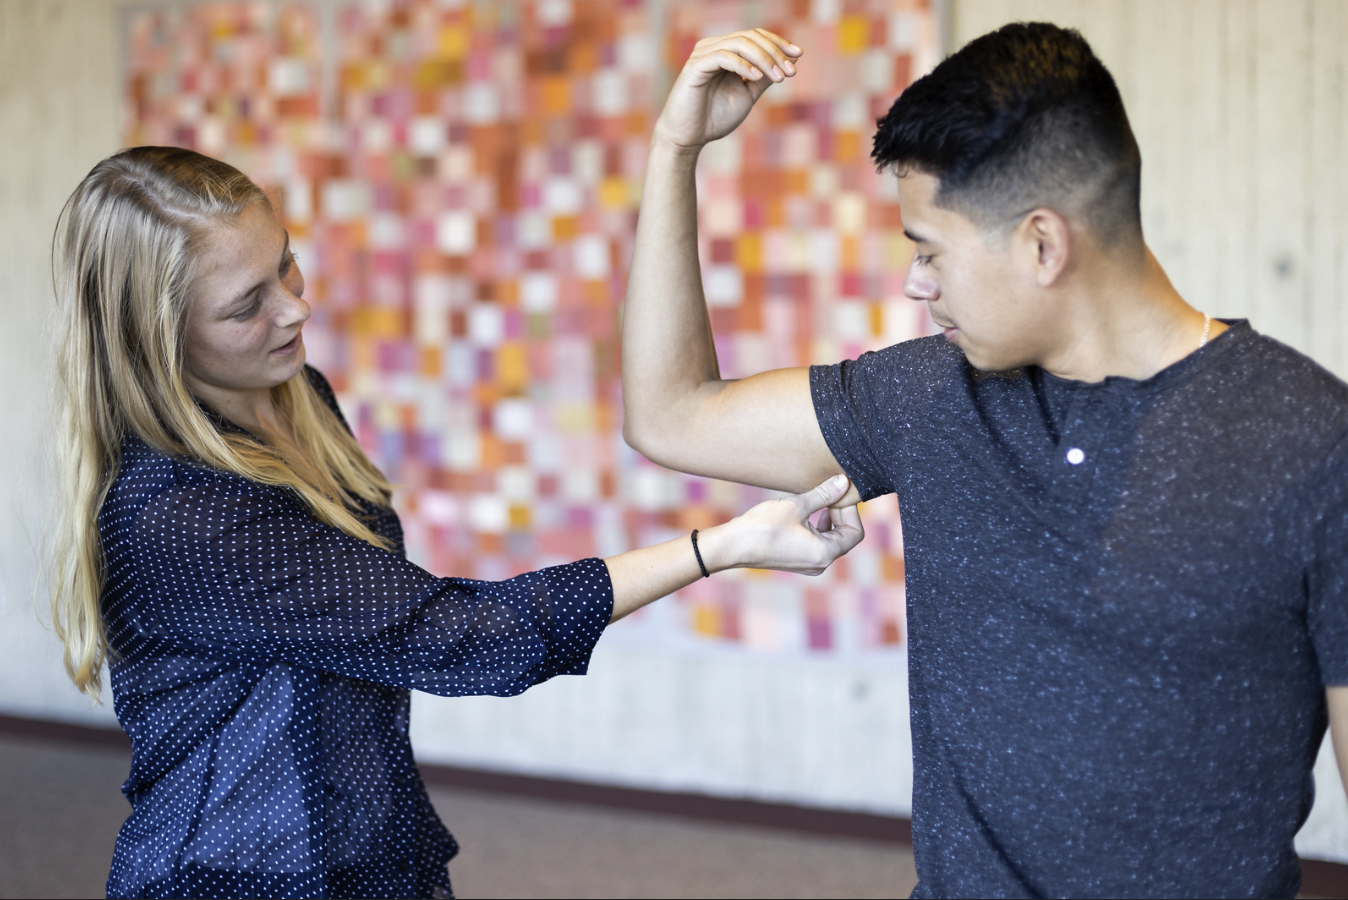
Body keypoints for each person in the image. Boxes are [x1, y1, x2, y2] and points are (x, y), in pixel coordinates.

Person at [621, 23, 1348, 898]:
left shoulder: (1313, 443)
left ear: (1043, 245)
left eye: (928, 250)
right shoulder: (927, 398)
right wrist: (675, 152)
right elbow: (672, 414)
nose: (914, 284)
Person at [48, 145, 863, 900]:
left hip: (369, 831)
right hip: (238, 866)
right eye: (245, 307)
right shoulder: (182, 516)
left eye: (286, 262)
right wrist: (721, 547)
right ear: (155, 340)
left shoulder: (298, 397)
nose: (296, 308)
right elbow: (465, 639)